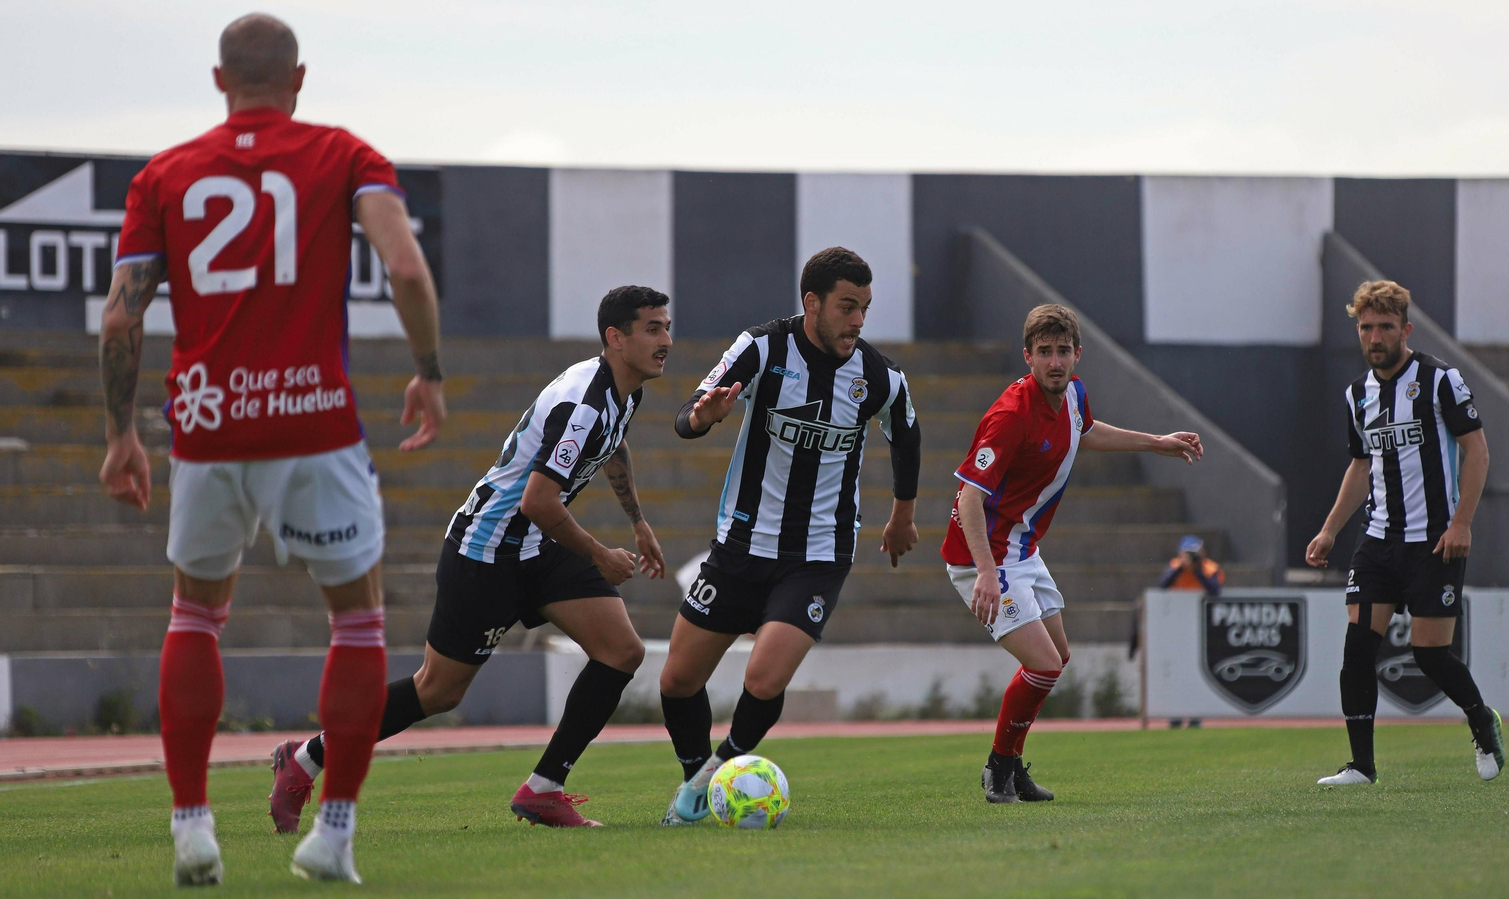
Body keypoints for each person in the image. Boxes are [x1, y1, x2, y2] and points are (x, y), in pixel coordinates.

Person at [97, 14, 446, 885]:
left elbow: (119, 313)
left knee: (195, 614)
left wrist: (119, 434)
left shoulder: (165, 175)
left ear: (220, 82)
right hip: (313, 423)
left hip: (209, 425)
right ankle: (332, 832)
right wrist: (429, 372)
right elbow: (404, 266)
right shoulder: (345, 153)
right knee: (356, 618)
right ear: (300, 78)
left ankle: (191, 825)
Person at [270, 287, 673, 830]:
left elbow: (612, 446)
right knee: (437, 691)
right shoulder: (584, 402)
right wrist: (600, 554)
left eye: (666, 327)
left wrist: (638, 520)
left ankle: (543, 788)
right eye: (652, 328)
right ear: (615, 339)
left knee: (622, 650)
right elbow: (537, 499)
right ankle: (305, 759)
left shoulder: (622, 391)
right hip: (485, 551)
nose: (665, 340)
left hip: (534, 544)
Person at [657, 247, 921, 825]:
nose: (857, 320)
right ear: (812, 304)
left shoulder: (877, 375)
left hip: (818, 553)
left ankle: (710, 779)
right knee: (676, 681)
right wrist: (702, 419)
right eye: (847, 307)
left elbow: (906, 433)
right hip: (741, 545)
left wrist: (902, 513)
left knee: (764, 676)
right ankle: (698, 773)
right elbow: (687, 414)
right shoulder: (762, 348)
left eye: (865, 309)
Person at [942, 304, 1203, 803]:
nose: (1055, 361)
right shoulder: (1009, 416)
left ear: (1077, 354)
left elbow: (1085, 429)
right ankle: (999, 769)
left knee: (1058, 658)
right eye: (1045, 353)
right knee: (1042, 664)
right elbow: (968, 497)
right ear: (1029, 357)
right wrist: (984, 573)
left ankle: (1012, 765)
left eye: (1063, 351)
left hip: (1022, 548)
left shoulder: (1074, 394)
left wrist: (1156, 443)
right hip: (988, 555)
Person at [1306, 279, 1504, 786]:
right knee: (1357, 652)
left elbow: (1476, 451)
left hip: (1436, 541)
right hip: (1378, 541)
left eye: (1385, 327)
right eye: (1367, 327)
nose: (1375, 337)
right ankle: (1362, 767)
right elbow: (1360, 467)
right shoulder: (1357, 394)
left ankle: (1482, 720)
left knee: (1430, 655)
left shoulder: (1440, 380)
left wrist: (1462, 522)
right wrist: (1329, 530)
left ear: (1405, 329)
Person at [1158, 535, 1224, 595]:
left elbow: (1215, 590)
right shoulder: (1175, 565)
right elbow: (1163, 585)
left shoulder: (1210, 568)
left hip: (1201, 603)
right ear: (1180, 553)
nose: (1192, 557)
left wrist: (1197, 569)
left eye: (1194, 554)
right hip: (1178, 602)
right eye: (1189, 554)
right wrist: (1181, 567)